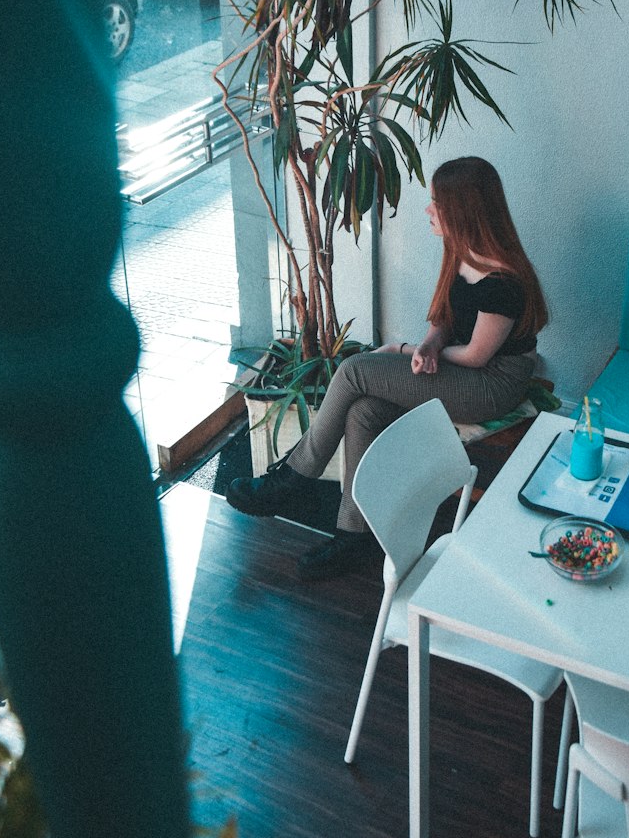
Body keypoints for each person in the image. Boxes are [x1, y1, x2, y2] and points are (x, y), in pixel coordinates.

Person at [227, 157, 548, 579]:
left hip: (492, 384)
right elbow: (446, 319)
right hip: (466, 370)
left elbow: (475, 356)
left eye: (437, 203)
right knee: (364, 411)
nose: (428, 210)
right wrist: (431, 344)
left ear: (464, 210)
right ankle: (353, 536)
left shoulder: (504, 282)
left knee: (356, 370)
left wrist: (402, 348)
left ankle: (292, 478)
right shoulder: (461, 253)